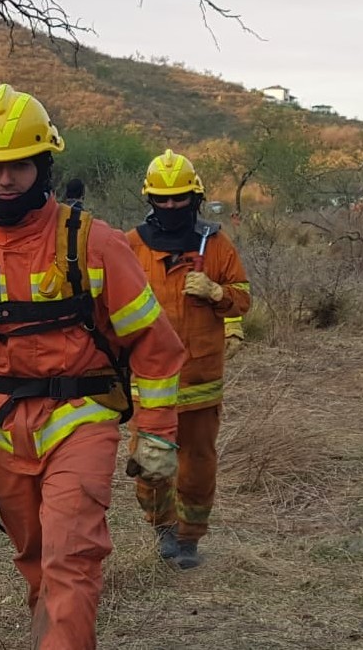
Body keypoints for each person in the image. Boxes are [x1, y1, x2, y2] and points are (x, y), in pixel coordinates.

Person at [0, 84, 185, 649]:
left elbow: (154, 345)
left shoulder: (94, 242)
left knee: (70, 556)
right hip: (1, 429)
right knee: (34, 558)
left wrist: (156, 434)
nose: (7, 179)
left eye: (20, 164)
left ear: (44, 162)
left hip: (82, 418)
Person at [125, 148, 251, 569]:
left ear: (194, 197)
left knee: (197, 465)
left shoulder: (215, 244)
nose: (171, 205)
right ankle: (161, 528)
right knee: (149, 463)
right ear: (150, 199)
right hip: (149, 383)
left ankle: (189, 537)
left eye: (180, 198)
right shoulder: (131, 246)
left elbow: (244, 298)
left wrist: (218, 293)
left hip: (201, 379)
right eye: (162, 198)